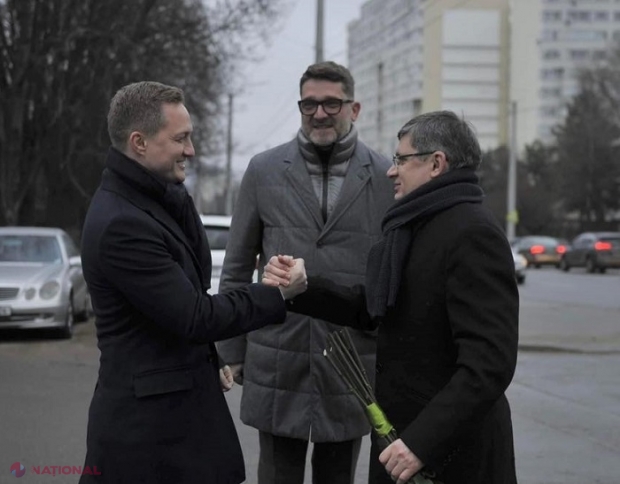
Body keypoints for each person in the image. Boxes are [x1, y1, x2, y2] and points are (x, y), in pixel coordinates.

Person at [264, 111, 520, 484]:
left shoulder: (472, 233)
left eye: (401, 159)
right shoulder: (416, 224)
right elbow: (376, 306)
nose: (391, 170)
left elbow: (488, 365)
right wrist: (303, 285)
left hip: (451, 454)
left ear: (436, 163)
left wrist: (420, 443)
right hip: (405, 442)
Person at [78, 81, 306, 484]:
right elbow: (194, 314)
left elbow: (171, 307)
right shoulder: (122, 223)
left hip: (177, 423)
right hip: (148, 441)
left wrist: (209, 357)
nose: (191, 150)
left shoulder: (158, 198)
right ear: (139, 143)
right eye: (181, 138)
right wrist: (275, 294)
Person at [216, 61, 394, 484]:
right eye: (310, 103)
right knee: (277, 474)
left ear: (355, 108)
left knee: (339, 475)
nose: (319, 113)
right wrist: (231, 350)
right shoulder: (263, 170)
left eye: (332, 103)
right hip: (278, 352)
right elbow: (238, 266)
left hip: (352, 357)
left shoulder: (385, 177)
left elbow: (392, 277)